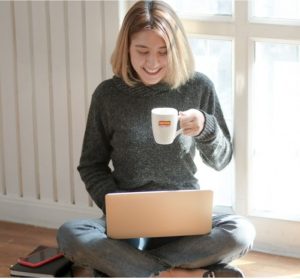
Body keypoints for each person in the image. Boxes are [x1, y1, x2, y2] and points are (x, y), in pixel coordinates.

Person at [57, 0, 255, 277]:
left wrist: (205, 128)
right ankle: (184, 272)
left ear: (177, 50)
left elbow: (221, 160)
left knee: (241, 232)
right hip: (129, 222)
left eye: (164, 52)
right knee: (71, 234)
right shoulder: (108, 95)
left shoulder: (198, 86)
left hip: (185, 217)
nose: (152, 62)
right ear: (127, 48)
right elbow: (91, 165)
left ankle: (131, 268)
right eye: (142, 51)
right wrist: (117, 207)